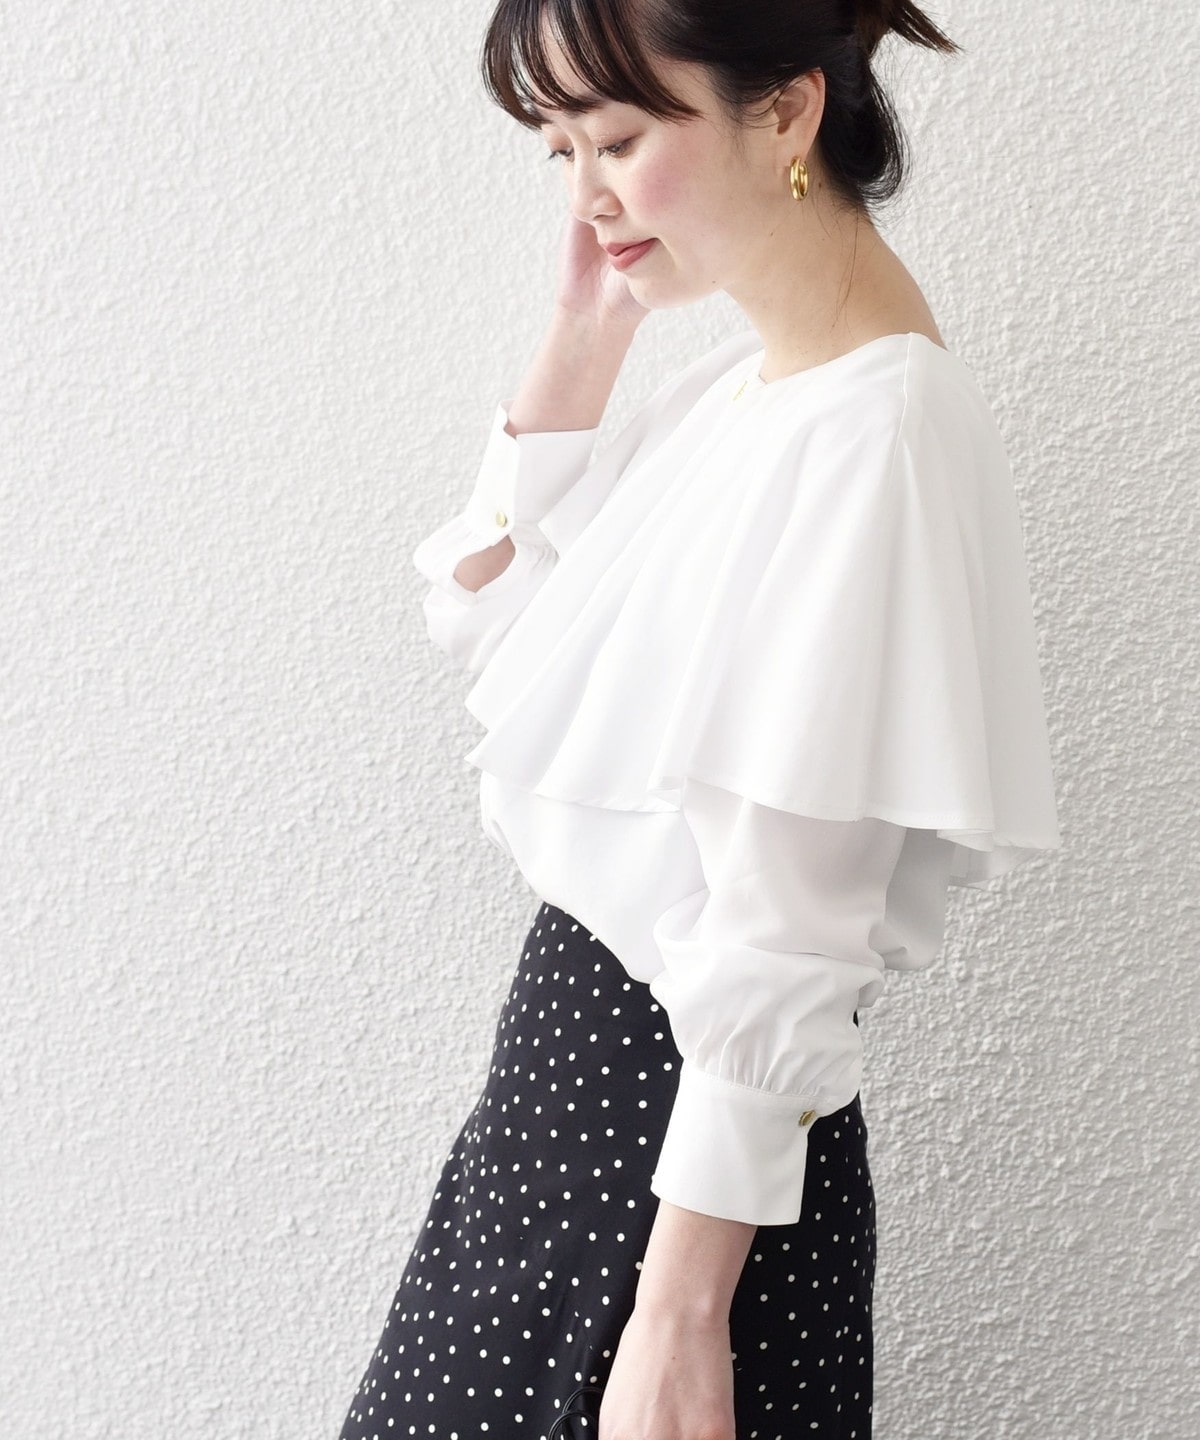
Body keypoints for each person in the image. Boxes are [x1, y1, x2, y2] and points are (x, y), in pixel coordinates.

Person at [337, 1, 1061, 1436]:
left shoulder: (874, 437)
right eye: (557, 152)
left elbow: (790, 926)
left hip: (667, 1173)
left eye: (614, 140)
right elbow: (493, 624)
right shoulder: (752, 390)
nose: (585, 197)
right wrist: (582, 332)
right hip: (566, 1122)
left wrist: (675, 1319)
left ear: (784, 111)